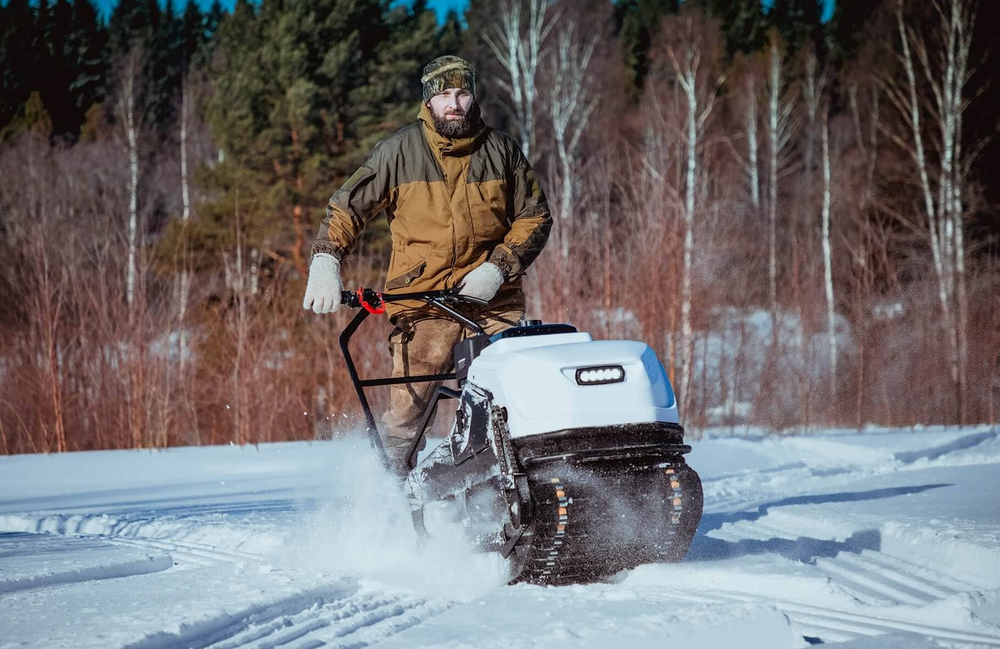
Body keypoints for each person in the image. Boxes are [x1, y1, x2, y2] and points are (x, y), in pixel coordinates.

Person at [302, 55, 552, 476]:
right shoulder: (398, 152)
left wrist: (496, 269)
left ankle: (517, 490)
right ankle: (388, 501)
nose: (454, 103)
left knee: (514, 401)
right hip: (424, 305)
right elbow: (347, 209)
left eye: (462, 93)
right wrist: (326, 259)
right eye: (443, 95)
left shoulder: (502, 151)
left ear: (474, 97)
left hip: (493, 303)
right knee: (407, 412)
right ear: (428, 101)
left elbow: (535, 217)